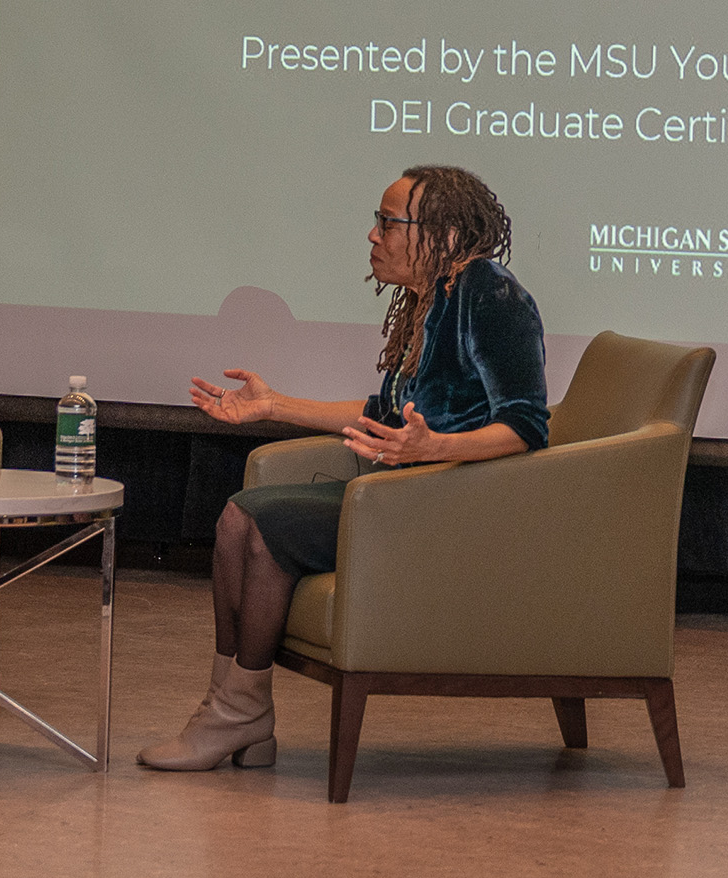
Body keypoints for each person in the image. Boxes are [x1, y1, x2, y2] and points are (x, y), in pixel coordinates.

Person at [138, 165, 547, 772]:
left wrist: (433, 449)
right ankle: (233, 709)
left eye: (388, 222)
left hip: (453, 505)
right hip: (401, 493)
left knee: (261, 526)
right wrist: (273, 406)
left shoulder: (490, 295)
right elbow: (381, 413)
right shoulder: (431, 299)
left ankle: (238, 715)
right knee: (236, 520)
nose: (373, 235)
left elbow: (526, 427)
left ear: (444, 234)